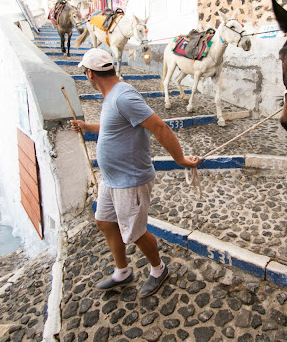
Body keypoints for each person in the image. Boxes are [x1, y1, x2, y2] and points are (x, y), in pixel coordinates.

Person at [71, 48, 200, 298]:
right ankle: (123, 272)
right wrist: (87, 126)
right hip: (112, 180)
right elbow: (114, 127)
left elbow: (159, 127)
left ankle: (158, 270)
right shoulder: (112, 96)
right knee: (105, 222)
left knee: (136, 232)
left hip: (129, 181)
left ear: (89, 74)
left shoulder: (122, 97)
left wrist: (181, 160)